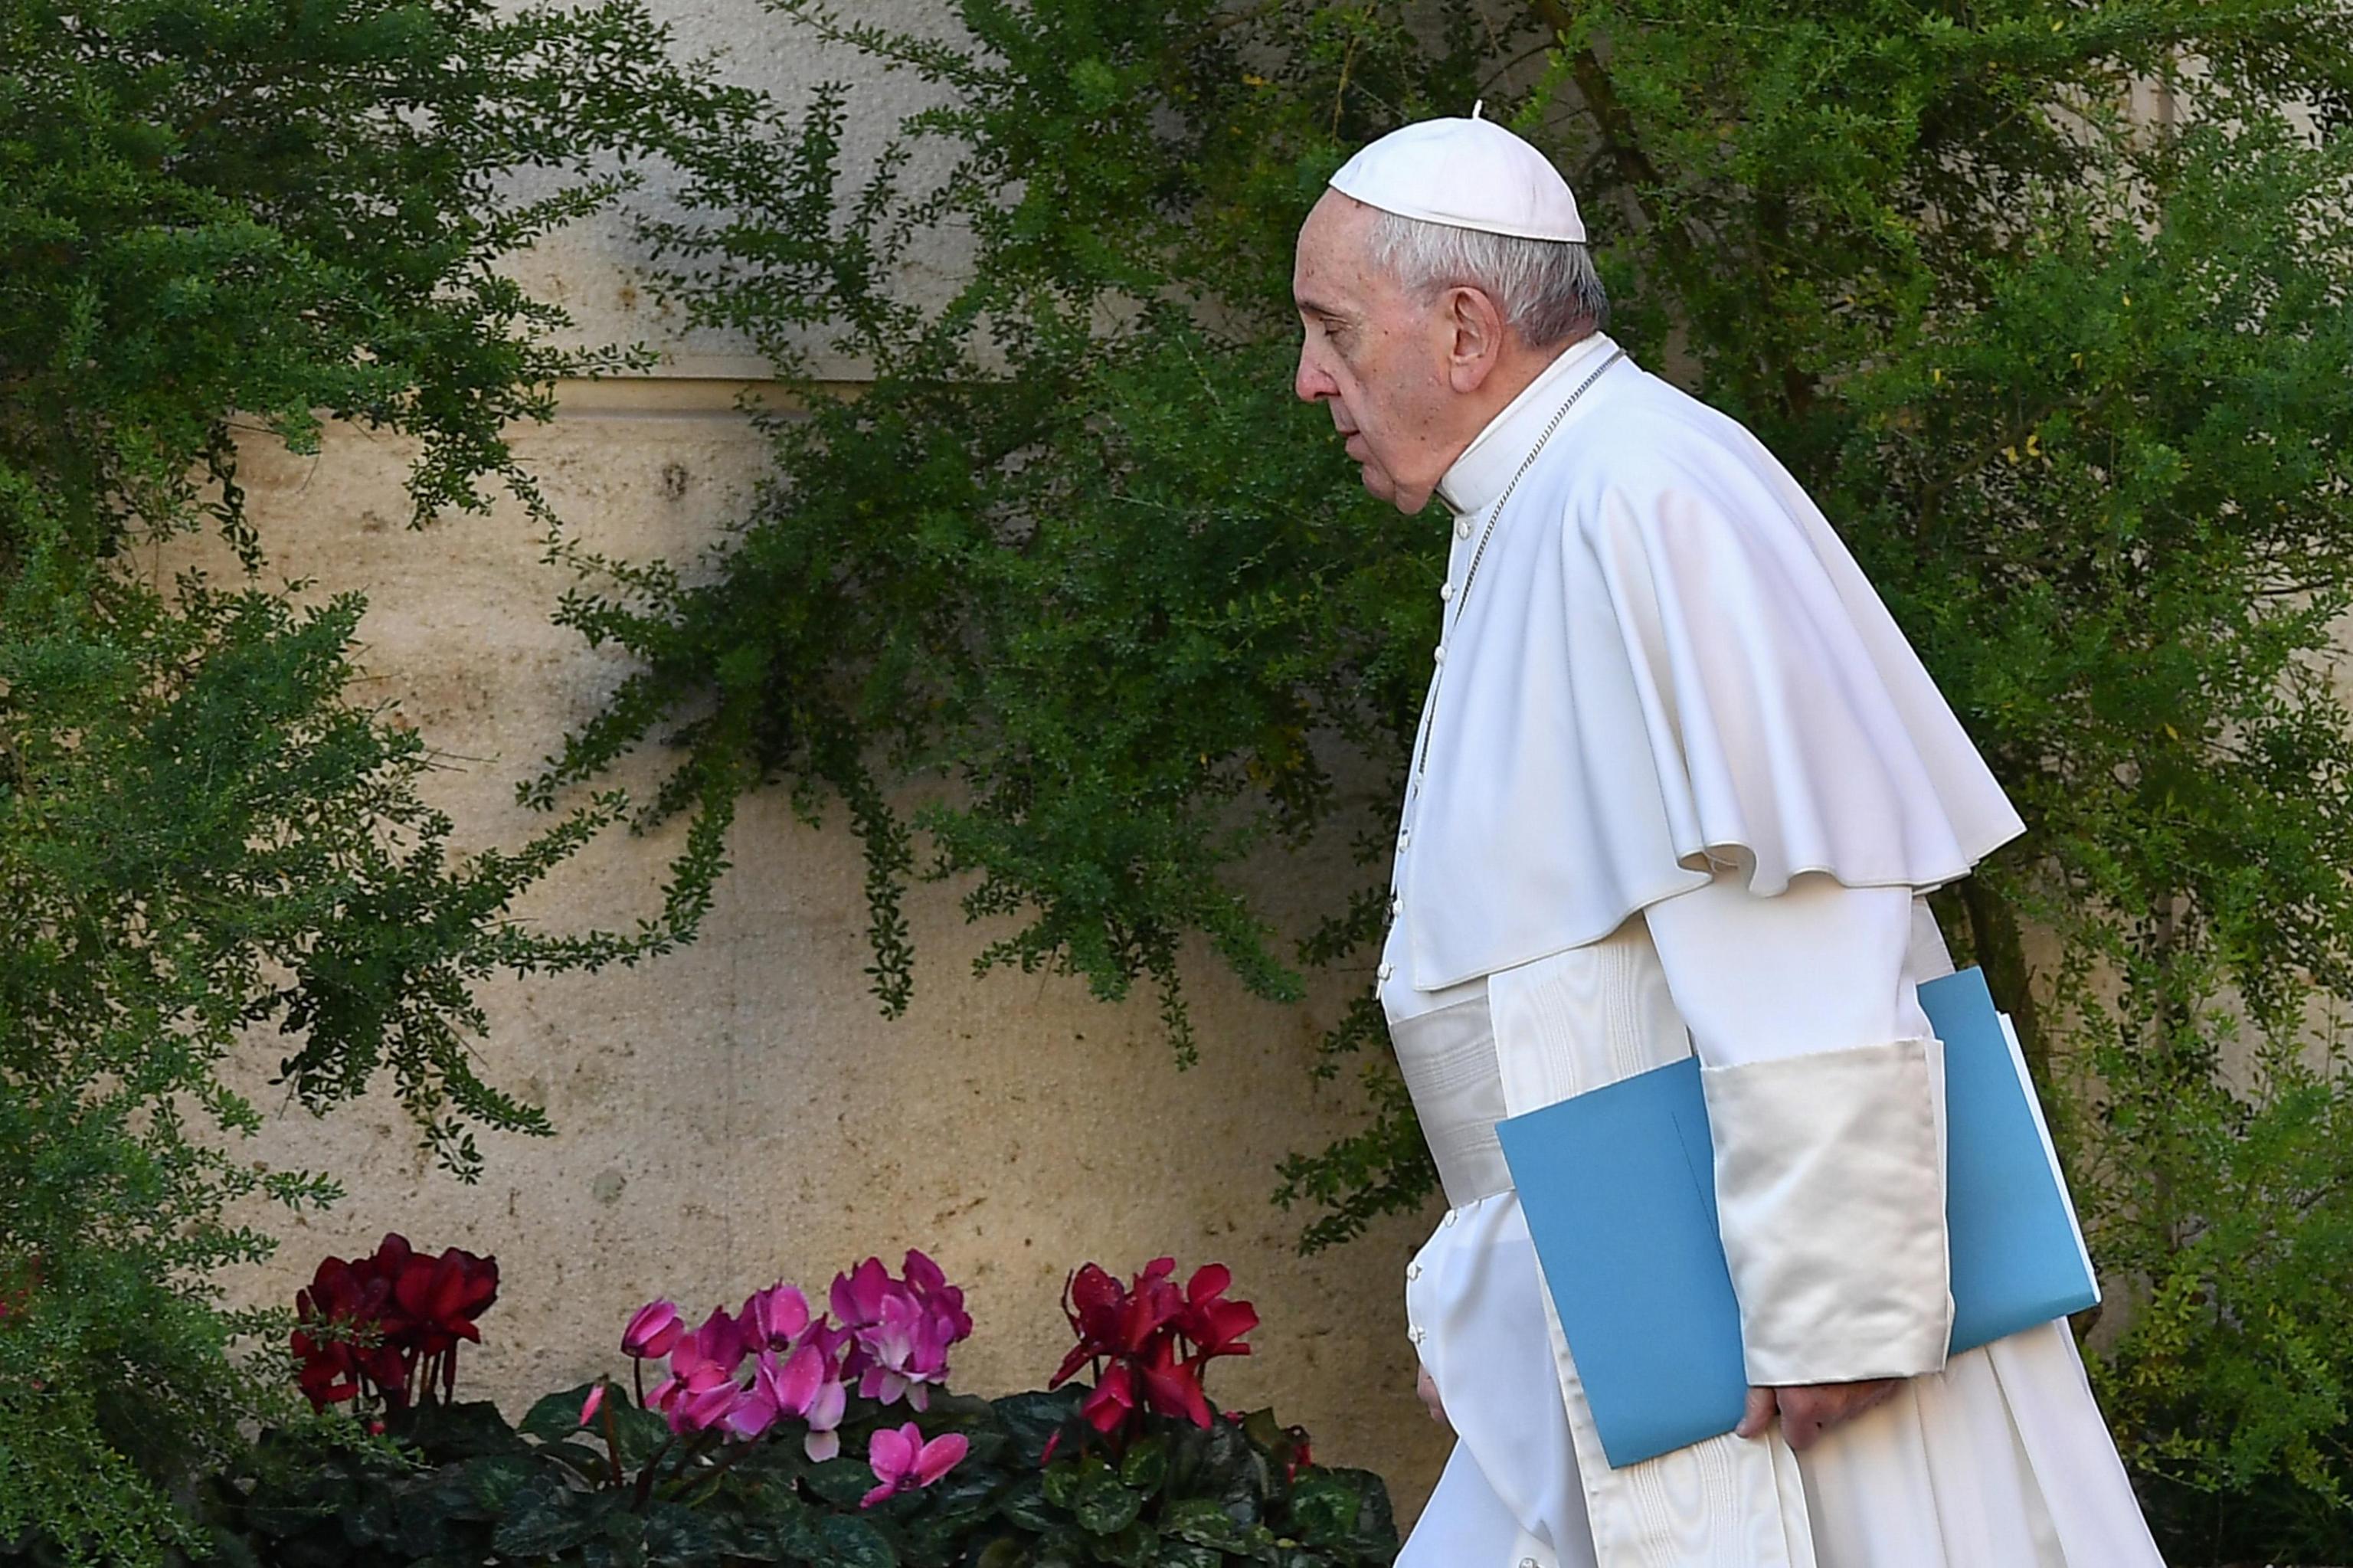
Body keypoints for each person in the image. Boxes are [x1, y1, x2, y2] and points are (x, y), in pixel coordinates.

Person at [1291, 112, 2167, 1568]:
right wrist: (1498, 1300)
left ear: (1462, 327)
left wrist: (1838, 1304)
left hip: (1788, 1358)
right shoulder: (1545, 498)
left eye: (1331, 327)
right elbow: (1573, 997)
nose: (1309, 375)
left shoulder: (1644, 492)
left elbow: (1799, 910)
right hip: (1651, 1300)